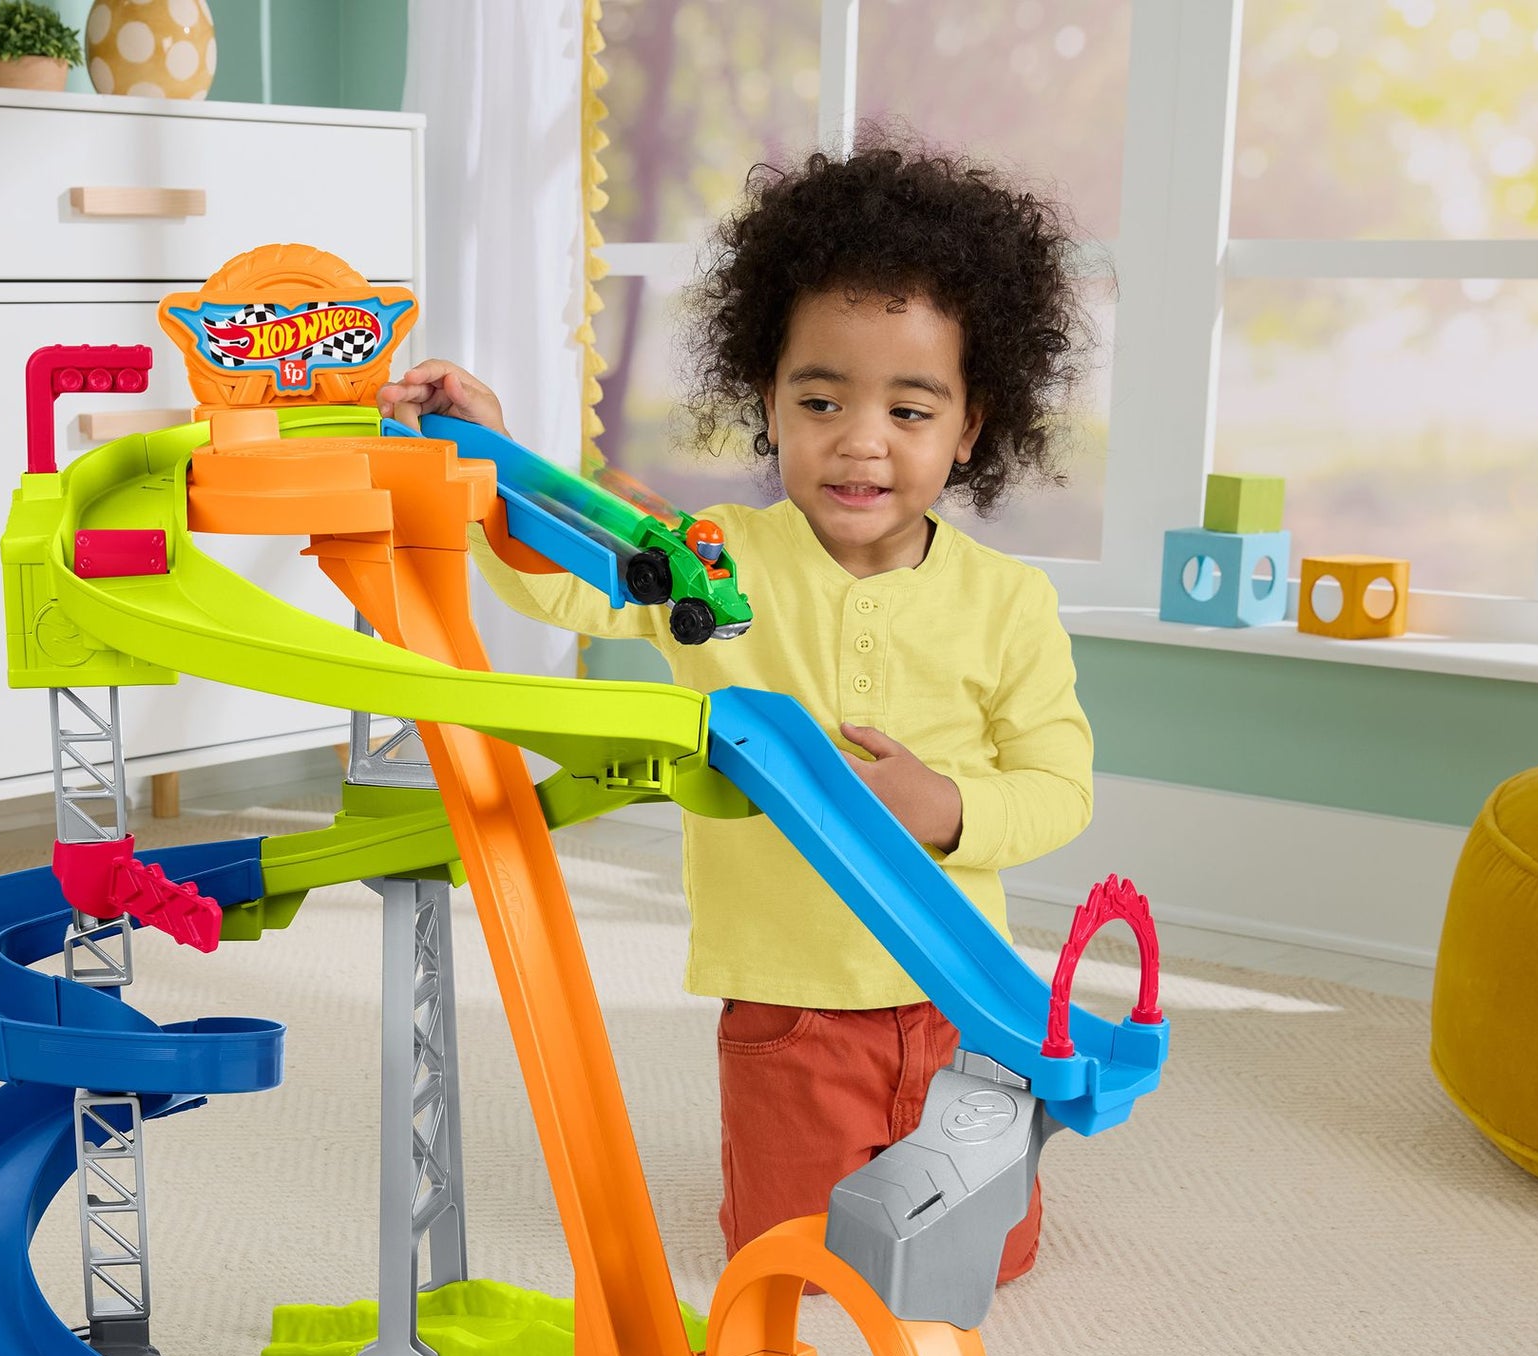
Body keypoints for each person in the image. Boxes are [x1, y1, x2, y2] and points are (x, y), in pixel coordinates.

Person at [377, 142, 1095, 1285]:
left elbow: (1059, 787)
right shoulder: (709, 562)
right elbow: (567, 579)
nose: (860, 437)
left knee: (990, 1252)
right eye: (820, 400)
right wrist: (490, 456)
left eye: (909, 408)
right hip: (788, 1003)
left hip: (962, 995)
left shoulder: (1009, 601)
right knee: (792, 1259)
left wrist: (948, 807)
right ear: (767, 402)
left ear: (969, 425)